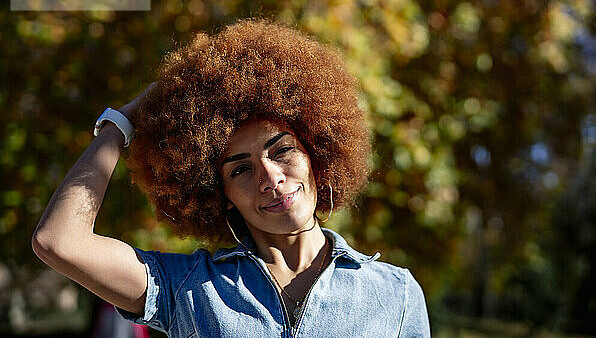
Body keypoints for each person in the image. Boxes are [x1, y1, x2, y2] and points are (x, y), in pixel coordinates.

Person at [32, 19, 430, 337]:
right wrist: (122, 124)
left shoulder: (395, 293)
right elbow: (59, 242)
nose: (270, 177)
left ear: (315, 154)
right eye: (240, 169)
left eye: (282, 151)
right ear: (220, 195)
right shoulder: (189, 288)